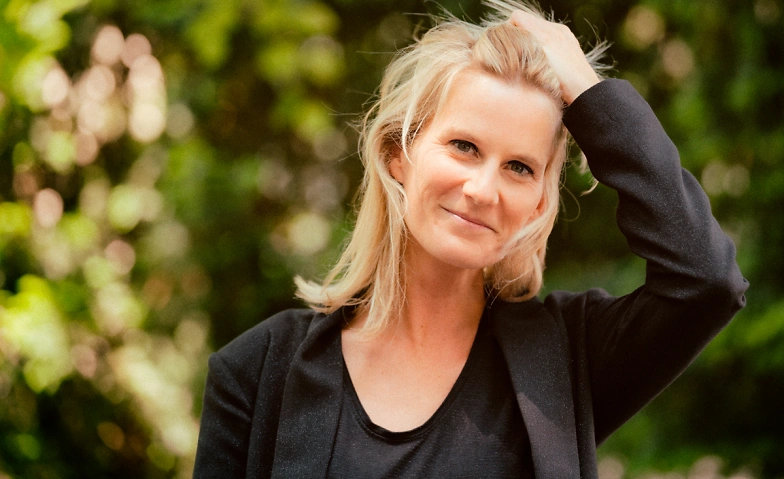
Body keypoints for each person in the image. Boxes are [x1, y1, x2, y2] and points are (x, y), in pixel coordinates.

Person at [193, 2, 748, 478]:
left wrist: (587, 90)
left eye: (519, 168)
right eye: (464, 146)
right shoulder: (255, 373)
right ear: (399, 154)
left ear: (539, 202)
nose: (483, 190)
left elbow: (706, 280)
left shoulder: (568, 360)